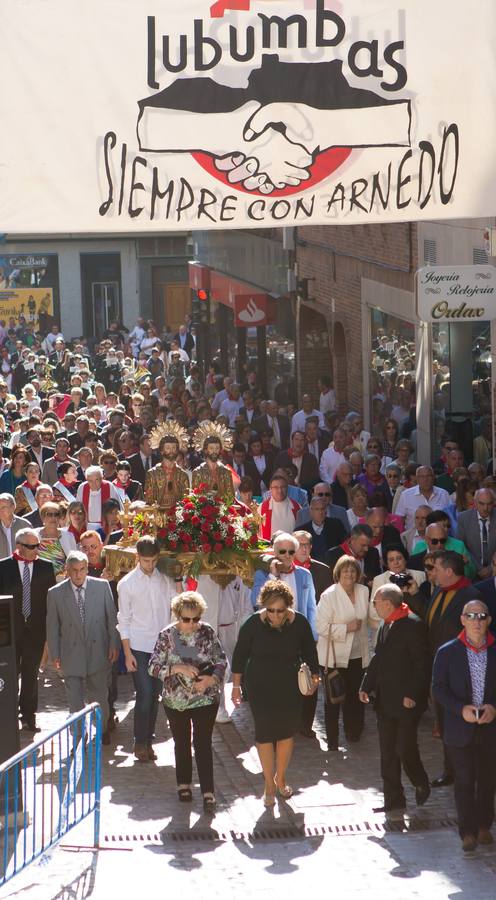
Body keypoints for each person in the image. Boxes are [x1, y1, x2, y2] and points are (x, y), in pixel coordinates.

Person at [231, 580, 319, 805]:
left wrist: (315, 679)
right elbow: (240, 656)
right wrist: (236, 686)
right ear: (264, 607)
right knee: (264, 733)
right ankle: (269, 783)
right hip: (260, 683)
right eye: (271, 610)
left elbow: (310, 652)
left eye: (280, 611)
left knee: (286, 733)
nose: (276, 615)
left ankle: (281, 777)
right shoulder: (252, 624)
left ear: (288, 606)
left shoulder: (299, 622)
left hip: (290, 682)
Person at [148, 591, 227, 811]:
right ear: (177, 616)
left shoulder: (207, 632)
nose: (191, 624)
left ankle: (208, 792)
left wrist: (212, 679)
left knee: (203, 744)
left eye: (195, 619)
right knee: (181, 743)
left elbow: (221, 659)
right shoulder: (166, 636)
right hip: (176, 701)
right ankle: (183, 784)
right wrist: (177, 668)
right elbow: (152, 666)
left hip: (205, 699)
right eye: (186, 619)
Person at [360, 584, 431, 813]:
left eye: (375, 602)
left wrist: (413, 694)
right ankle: (393, 800)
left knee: (404, 748)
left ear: (387, 604)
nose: (374, 606)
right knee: (388, 753)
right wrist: (366, 685)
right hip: (385, 700)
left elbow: (422, 665)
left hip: (406, 702)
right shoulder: (386, 624)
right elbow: (379, 658)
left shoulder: (413, 625)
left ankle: (420, 781)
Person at [432, 600, 496, 852]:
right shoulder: (448, 651)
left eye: (482, 616)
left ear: (488, 620)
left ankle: (484, 826)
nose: (477, 621)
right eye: (471, 616)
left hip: (490, 728)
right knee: (465, 780)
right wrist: (461, 710)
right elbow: (438, 688)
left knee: (488, 780)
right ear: (463, 620)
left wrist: (493, 707)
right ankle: (467, 831)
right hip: (460, 729)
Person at [46, 550, 120, 743]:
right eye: (74, 570)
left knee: (100, 696)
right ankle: (78, 735)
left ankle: (102, 731)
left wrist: (114, 644)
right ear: (67, 570)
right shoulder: (55, 594)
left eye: (82, 569)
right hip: (71, 652)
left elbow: (111, 619)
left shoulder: (102, 587)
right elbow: (52, 627)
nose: (78, 574)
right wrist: (55, 654)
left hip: (99, 650)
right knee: (75, 701)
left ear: (87, 569)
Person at [251, 532, 318, 737]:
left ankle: (305, 724)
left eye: (291, 551)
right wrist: (272, 575)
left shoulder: (304, 575)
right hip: (273, 634)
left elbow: (311, 606)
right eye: (282, 552)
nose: (287, 556)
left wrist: (313, 635)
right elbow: (255, 601)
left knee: (308, 676)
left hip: (299, 631)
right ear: (274, 552)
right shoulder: (262, 575)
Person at [117, 536, 176, 761]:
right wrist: (128, 652)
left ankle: (148, 741)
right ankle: (139, 742)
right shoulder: (127, 584)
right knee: (144, 694)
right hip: (139, 647)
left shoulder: (165, 580)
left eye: (152, 561)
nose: (149, 565)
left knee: (155, 696)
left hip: (161, 647)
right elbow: (124, 619)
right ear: (137, 558)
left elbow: (176, 605)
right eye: (145, 561)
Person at [0, 527, 56, 731]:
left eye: (37, 545)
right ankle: (7, 713)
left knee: (31, 675)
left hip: (35, 631)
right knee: (9, 674)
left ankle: (29, 715)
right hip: (9, 632)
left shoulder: (45, 567)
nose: (35, 549)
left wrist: (50, 635)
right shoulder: (3, 567)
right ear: (19, 546)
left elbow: (50, 602)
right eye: (31, 546)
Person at [316, 556, 371, 749]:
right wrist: (346, 627)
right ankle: (332, 740)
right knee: (334, 700)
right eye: (345, 571)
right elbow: (321, 627)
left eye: (353, 571)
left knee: (356, 698)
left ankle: (353, 732)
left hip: (358, 655)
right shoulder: (329, 595)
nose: (349, 574)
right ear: (338, 573)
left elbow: (372, 617)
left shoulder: (363, 591)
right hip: (335, 658)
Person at [456, 488, 496, 580]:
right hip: (472, 571)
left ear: (494, 503)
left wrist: (490, 569)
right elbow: (461, 546)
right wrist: (478, 568)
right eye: (482, 503)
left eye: (489, 504)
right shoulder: (463, 518)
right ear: (475, 502)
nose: (486, 508)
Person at [325, 523, 381, 588]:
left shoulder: (373, 553)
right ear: (352, 540)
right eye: (363, 545)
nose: (366, 549)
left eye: (368, 545)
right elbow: (330, 582)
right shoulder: (333, 555)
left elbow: (377, 578)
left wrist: (374, 583)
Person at [395, 465, 450, 530]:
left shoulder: (444, 494)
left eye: (428, 476)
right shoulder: (406, 495)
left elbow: (450, 518)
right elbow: (399, 521)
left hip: (438, 537)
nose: (425, 479)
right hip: (413, 538)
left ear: (433, 477)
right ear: (417, 479)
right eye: (422, 476)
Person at [298, 496, 347, 563]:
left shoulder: (336, 525)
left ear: (326, 511)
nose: (320, 512)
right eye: (317, 509)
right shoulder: (301, 531)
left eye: (322, 509)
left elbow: (345, 546)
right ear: (311, 511)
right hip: (310, 568)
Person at [35, 501, 75, 575]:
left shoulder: (68, 535)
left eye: (56, 514)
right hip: (39, 579)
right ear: (43, 518)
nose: (53, 518)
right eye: (49, 514)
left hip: (62, 580)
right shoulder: (34, 535)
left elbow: (74, 560)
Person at [293, 529, 332, 602]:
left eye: (306, 545)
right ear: (293, 547)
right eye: (300, 545)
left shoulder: (324, 570)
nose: (304, 549)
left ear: (311, 547)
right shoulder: (284, 569)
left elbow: (328, 600)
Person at [259, 474, 301, 540]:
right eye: (276, 487)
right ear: (270, 489)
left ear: (287, 488)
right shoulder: (261, 508)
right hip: (270, 549)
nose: (280, 491)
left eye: (283, 487)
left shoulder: (297, 507)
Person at [0, 492, 26, 557]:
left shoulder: (24, 525)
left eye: (3, 507)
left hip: (20, 565)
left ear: (13, 507)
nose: (0, 510)